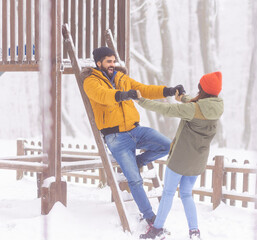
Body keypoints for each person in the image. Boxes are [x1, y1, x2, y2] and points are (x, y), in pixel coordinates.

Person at [83, 46, 186, 226]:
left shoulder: (122, 78)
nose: (112, 65)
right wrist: (123, 95)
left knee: (168, 145)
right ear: (98, 63)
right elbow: (103, 95)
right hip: (116, 137)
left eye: (113, 61)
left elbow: (144, 89)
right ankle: (149, 217)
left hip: (135, 130)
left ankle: (138, 161)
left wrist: (168, 91)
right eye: (108, 61)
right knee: (135, 180)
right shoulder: (91, 81)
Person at [137, 72, 224, 239]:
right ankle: (194, 231)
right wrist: (183, 97)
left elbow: (167, 109)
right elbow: (199, 105)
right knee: (186, 194)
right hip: (198, 161)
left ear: (202, 89)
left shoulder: (193, 109)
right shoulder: (217, 107)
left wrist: (141, 101)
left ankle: (156, 229)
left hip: (180, 159)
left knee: (168, 193)